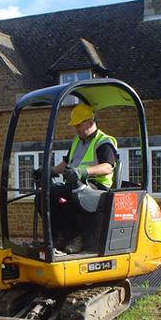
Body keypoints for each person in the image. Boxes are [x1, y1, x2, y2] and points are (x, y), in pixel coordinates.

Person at [48, 103, 117, 254]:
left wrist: (83, 171)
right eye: (75, 125)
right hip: (76, 185)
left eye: (79, 125)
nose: (76, 128)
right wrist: (49, 171)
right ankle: (62, 236)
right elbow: (67, 163)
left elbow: (107, 167)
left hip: (97, 187)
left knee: (55, 193)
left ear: (90, 122)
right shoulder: (77, 140)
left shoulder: (103, 141)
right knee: (43, 196)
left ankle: (75, 237)